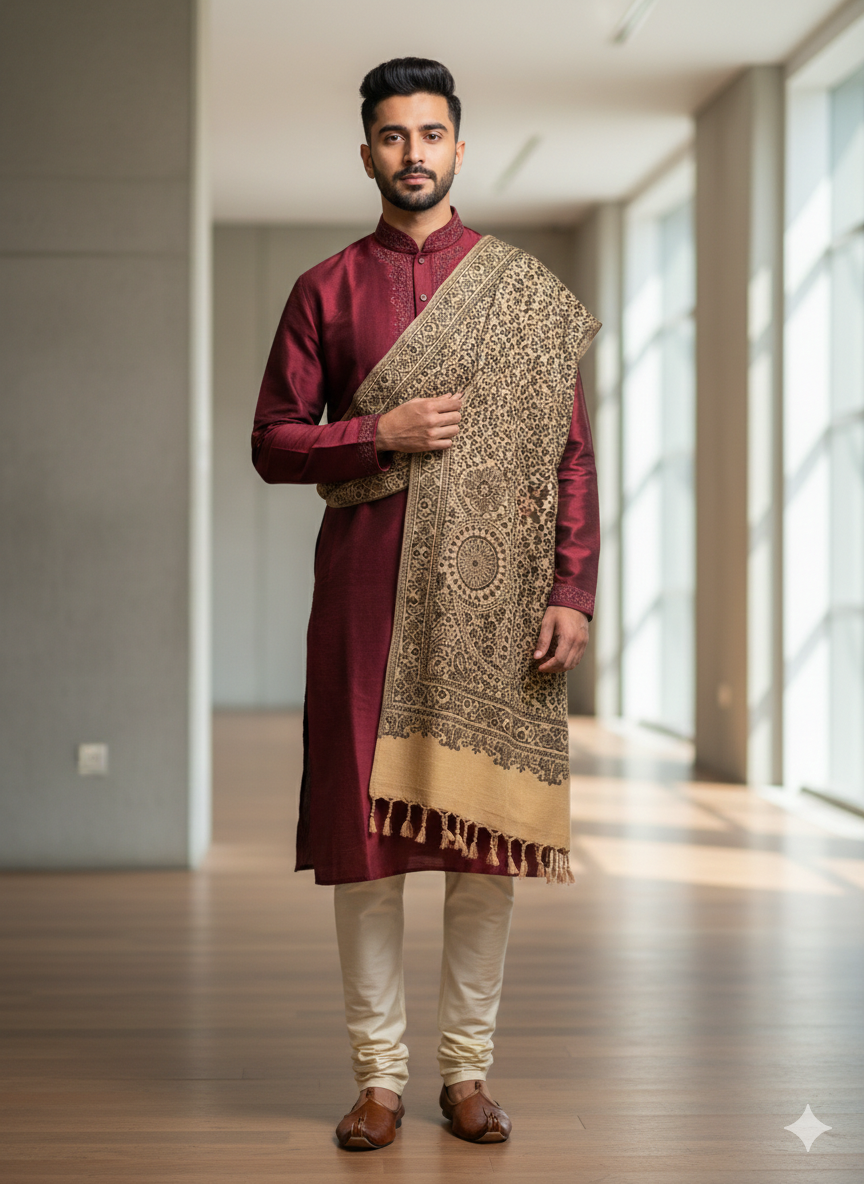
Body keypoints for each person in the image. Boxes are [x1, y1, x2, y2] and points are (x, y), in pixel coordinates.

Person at [251, 56, 600, 1150]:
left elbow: (571, 456)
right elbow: (271, 442)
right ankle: (379, 1078)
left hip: (497, 608)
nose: (414, 153)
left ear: (459, 144)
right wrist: (376, 433)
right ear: (368, 154)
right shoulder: (325, 288)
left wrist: (572, 587)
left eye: (431, 133)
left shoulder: (524, 293)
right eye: (394, 136)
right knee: (368, 848)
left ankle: (466, 1071)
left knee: (481, 844)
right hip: (365, 600)